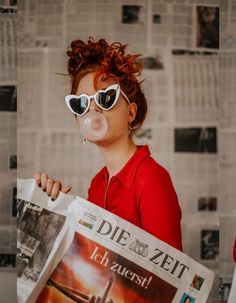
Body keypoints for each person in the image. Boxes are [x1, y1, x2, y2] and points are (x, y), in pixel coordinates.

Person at [34, 37, 182, 251]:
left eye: (105, 98)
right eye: (81, 103)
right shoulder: (98, 183)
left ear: (130, 112)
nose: (92, 110)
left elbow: (171, 279)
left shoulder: (151, 179)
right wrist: (57, 208)